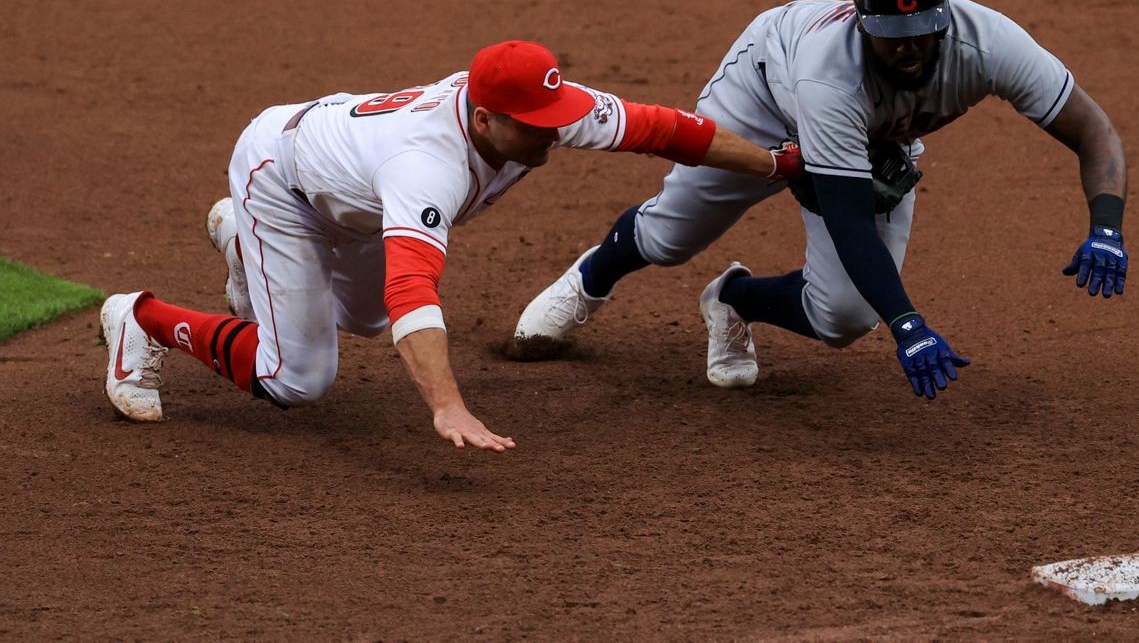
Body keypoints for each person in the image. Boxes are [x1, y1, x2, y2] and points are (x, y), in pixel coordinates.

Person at [100, 40, 803, 451]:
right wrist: (446, 404)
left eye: (556, 117)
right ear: (485, 116)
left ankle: (243, 248)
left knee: (368, 316)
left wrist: (776, 163)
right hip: (281, 181)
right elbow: (414, 288)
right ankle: (141, 318)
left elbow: (670, 130)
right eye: (535, 126)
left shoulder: (540, 110)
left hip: (346, 185)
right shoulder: (426, 166)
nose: (552, 133)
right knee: (299, 378)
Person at [514, 0, 1129, 400]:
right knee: (673, 236)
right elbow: (845, 214)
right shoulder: (829, 72)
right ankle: (590, 279)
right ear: (863, 22)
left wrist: (1106, 225)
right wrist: (909, 324)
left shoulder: (990, 43)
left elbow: (1093, 130)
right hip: (764, 95)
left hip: (867, 136)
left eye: (923, 32)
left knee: (846, 318)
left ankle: (734, 298)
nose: (911, 48)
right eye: (894, 36)